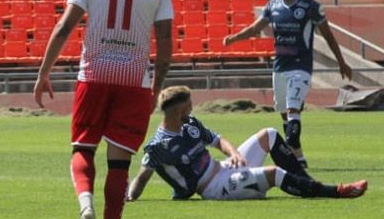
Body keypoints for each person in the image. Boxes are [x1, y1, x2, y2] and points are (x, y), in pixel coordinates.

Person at [34, 0, 173, 219]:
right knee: (119, 164)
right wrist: (156, 87)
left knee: (83, 148)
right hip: (133, 81)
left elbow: (65, 27)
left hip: (93, 76)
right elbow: (166, 43)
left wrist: (44, 72)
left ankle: (85, 205)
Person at [126, 86, 367, 202]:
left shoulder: (190, 124)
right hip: (215, 188)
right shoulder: (159, 145)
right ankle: (334, 192)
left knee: (269, 134)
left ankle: (308, 183)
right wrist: (128, 197)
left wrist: (234, 153)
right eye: (189, 105)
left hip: (225, 168)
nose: (192, 107)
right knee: (274, 173)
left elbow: (218, 140)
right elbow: (143, 176)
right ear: (179, 110)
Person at [223, 0, 353, 168]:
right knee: (285, 114)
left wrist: (341, 62)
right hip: (279, 68)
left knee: (293, 109)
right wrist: (234, 39)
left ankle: (289, 149)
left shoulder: (310, 7)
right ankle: (299, 159)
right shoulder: (272, 7)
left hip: (300, 67)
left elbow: (328, 36)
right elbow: (255, 29)